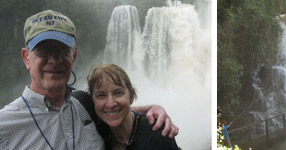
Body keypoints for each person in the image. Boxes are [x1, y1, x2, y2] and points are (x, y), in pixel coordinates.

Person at [0, 10, 177, 149]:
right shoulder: (5, 126)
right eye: (44, 50)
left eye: (62, 50)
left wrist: (152, 110)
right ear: (26, 58)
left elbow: (112, 109)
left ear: (74, 56)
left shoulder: (82, 104)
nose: (54, 60)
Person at [87, 64, 178, 149]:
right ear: (92, 101)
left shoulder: (157, 134)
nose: (110, 104)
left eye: (118, 93)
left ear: (131, 96)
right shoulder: (91, 129)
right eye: (101, 95)